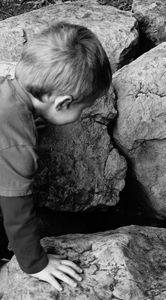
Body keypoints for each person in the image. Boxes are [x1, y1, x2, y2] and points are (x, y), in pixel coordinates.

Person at [0, 21, 112, 291]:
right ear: (62, 103)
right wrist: (35, 263)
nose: (82, 115)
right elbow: (17, 212)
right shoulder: (18, 148)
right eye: (83, 109)